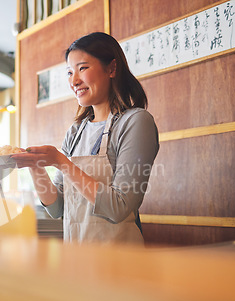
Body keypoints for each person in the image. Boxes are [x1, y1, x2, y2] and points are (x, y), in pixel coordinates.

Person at [13, 32, 159, 244]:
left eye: (82, 68)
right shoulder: (76, 131)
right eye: (70, 72)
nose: (74, 80)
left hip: (120, 263)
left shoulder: (136, 122)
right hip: (78, 260)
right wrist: (36, 166)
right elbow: (56, 208)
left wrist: (61, 162)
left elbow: (119, 208)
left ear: (111, 68)